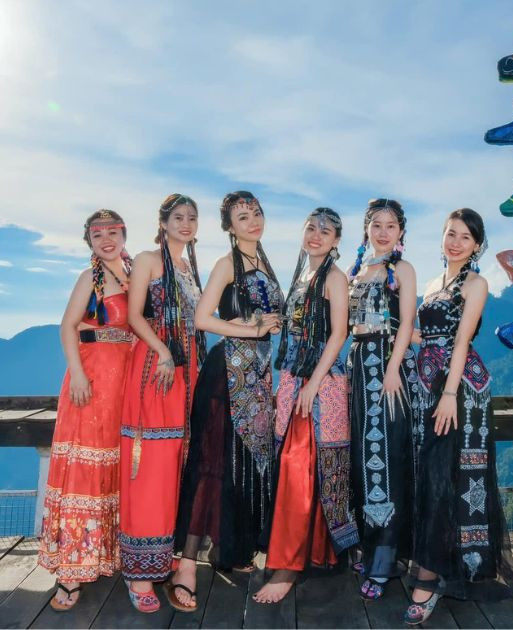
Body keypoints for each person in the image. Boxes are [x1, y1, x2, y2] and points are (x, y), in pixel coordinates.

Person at [406, 208, 513, 625]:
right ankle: (438, 560)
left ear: (477, 246)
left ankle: (430, 576)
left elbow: (460, 341)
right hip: (427, 385)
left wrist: (449, 394)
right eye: (450, 234)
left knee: (447, 476)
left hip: (459, 389)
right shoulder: (433, 284)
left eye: (465, 237)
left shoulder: (476, 284)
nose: (456, 243)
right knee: (431, 474)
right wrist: (390, 331)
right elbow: (426, 337)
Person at [170, 191, 283, 611]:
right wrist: (253, 330)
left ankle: (230, 549)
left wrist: (269, 327)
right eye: (242, 217)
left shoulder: (265, 263)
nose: (252, 221)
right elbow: (203, 319)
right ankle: (185, 565)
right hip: (226, 375)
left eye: (256, 213)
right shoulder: (225, 264)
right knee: (212, 465)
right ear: (229, 227)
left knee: (244, 465)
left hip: (257, 376)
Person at [253, 208, 357, 604]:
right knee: (296, 467)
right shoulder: (303, 277)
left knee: (298, 468)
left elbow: (339, 334)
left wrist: (313, 384)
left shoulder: (334, 277)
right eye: (311, 228)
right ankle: (306, 551)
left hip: (319, 384)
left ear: (336, 241)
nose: (316, 235)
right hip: (294, 379)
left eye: (325, 231)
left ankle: (287, 567)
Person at [38, 209, 134, 611]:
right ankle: (71, 569)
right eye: (98, 235)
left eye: (113, 232)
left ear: (124, 234)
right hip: (91, 379)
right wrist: (77, 373)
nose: (107, 240)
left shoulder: (135, 274)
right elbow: (67, 326)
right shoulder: (88, 278)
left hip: (125, 380)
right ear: (89, 241)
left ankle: (108, 554)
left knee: (118, 464)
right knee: (84, 466)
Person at [119, 194, 205, 613]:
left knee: (176, 461)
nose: (186, 224)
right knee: (150, 463)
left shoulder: (189, 268)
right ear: (163, 222)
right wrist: (165, 351)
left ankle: (164, 555)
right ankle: (139, 571)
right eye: (178, 217)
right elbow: (135, 316)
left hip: (188, 367)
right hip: (158, 364)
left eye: (192, 218)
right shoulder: (148, 260)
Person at [345, 199, 422, 600]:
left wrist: (393, 369)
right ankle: (370, 545)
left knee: (386, 460)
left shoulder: (403, 270)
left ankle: (385, 561)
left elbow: (406, 322)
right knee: (363, 460)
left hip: (388, 367)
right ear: (367, 228)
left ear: (401, 231)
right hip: (359, 367)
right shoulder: (356, 271)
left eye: (391, 226)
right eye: (377, 224)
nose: (383, 232)